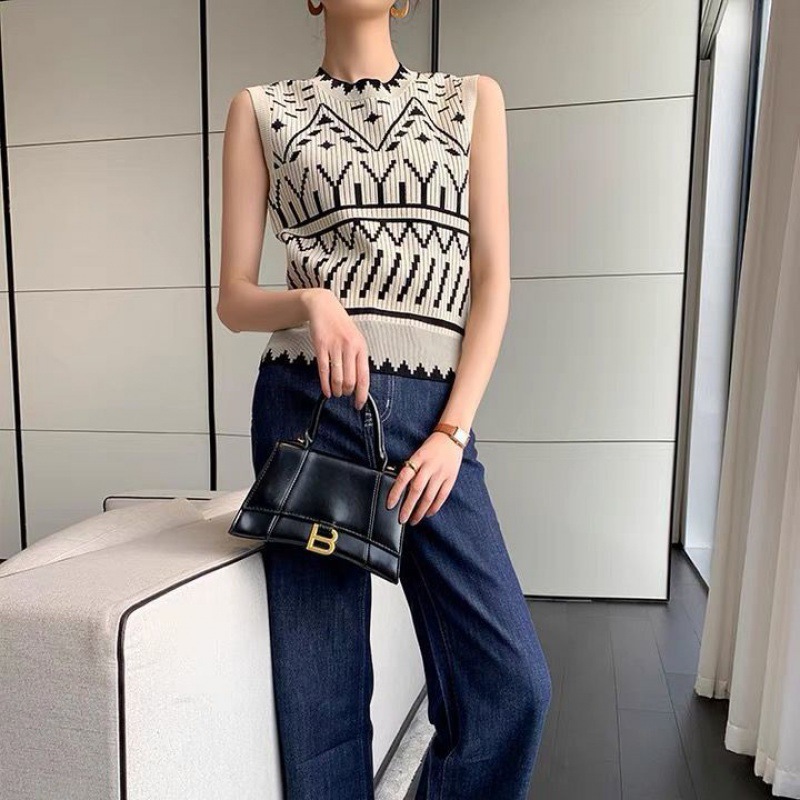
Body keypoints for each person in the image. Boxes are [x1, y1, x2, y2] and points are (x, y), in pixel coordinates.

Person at [217, 1, 552, 797]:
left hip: (436, 420)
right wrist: (311, 302)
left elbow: (491, 283)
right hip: (311, 406)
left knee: (512, 686)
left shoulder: (469, 100)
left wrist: (454, 433)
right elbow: (233, 299)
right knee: (324, 702)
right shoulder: (261, 109)